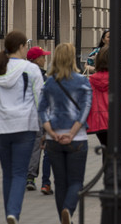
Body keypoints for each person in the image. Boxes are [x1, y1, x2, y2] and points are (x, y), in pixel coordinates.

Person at [0, 30, 44, 224]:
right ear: (22, 47)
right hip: (25, 127)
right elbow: (40, 100)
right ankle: (13, 213)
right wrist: (46, 128)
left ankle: (10, 213)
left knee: (8, 173)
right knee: (20, 173)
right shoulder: (31, 70)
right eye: (26, 47)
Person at [37, 43, 92, 224]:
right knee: (76, 181)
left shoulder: (49, 82)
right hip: (77, 139)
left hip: (54, 140)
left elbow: (42, 110)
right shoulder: (82, 81)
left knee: (60, 182)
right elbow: (85, 109)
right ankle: (68, 209)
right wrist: (72, 132)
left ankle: (63, 217)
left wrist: (51, 132)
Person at [87, 45, 121, 159]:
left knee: (105, 151)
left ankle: (107, 174)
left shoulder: (92, 79)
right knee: (118, 153)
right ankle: (117, 174)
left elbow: (88, 101)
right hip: (119, 120)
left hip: (100, 122)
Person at [25, 46, 53, 195]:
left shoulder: (21, 73)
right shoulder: (41, 76)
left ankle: (27, 177)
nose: (45, 59)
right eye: (42, 56)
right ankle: (33, 178)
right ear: (36, 59)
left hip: (23, 116)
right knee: (40, 146)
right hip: (38, 115)